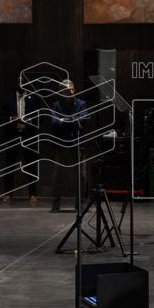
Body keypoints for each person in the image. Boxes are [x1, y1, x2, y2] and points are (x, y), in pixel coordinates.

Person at [49, 80, 89, 213]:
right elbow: (54, 123)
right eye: (67, 90)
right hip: (62, 144)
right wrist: (72, 120)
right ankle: (56, 202)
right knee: (58, 175)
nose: (70, 92)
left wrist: (64, 120)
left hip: (78, 144)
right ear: (61, 92)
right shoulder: (56, 105)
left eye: (72, 89)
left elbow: (83, 120)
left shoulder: (81, 104)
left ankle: (80, 202)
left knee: (82, 175)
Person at [0, 85, 40, 204]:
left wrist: (29, 120)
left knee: (31, 165)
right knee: (9, 166)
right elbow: (1, 117)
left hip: (28, 134)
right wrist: (12, 118)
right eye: (19, 80)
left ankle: (33, 194)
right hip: (12, 135)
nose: (21, 83)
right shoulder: (8, 98)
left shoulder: (33, 98)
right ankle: (8, 194)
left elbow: (40, 116)